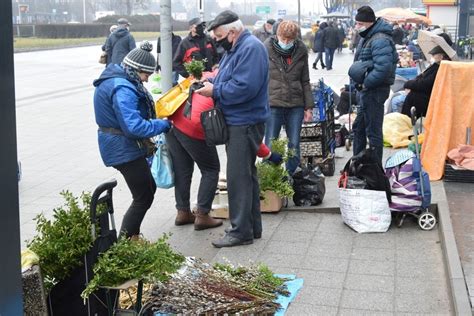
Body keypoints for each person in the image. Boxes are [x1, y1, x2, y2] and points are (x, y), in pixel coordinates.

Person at [195, 10, 270, 248]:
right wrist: (212, 82)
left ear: (233, 32)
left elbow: (244, 87)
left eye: (219, 36)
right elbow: (227, 77)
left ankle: (240, 232)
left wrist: (214, 91)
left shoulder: (250, 48)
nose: (216, 41)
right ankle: (251, 228)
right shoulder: (236, 48)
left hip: (244, 122)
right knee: (246, 176)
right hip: (240, 120)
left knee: (238, 178)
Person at [93, 41, 171, 238]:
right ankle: (126, 241)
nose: (146, 80)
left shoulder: (121, 80)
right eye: (146, 75)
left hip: (123, 146)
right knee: (143, 196)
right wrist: (163, 124)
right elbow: (134, 127)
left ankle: (132, 237)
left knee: (148, 189)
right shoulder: (122, 88)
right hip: (122, 148)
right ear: (136, 70)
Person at [166, 70, 223, 231]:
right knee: (211, 169)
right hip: (194, 125)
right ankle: (203, 215)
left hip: (174, 120)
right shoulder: (226, 84)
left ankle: (183, 212)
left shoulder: (207, 75)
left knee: (182, 169)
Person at [264, 20, 313, 175]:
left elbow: (305, 80)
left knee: (294, 144)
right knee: (271, 143)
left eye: (289, 40)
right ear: (277, 35)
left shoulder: (301, 50)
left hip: (295, 104)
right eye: (283, 39)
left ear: (295, 38)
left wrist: (308, 107)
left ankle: (291, 177)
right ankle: (271, 179)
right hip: (273, 103)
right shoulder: (266, 49)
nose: (286, 42)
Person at [350, 6, 398, 165]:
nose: (356, 26)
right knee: (358, 127)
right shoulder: (368, 35)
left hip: (374, 91)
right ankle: (358, 164)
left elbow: (383, 69)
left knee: (373, 132)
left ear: (367, 22)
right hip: (368, 91)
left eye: (359, 23)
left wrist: (365, 84)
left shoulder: (379, 39)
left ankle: (375, 169)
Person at [401, 45, 451, 118]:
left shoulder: (441, 68)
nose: (432, 57)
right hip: (420, 94)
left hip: (426, 99)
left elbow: (425, 84)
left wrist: (408, 84)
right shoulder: (435, 66)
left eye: (434, 55)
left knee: (396, 101)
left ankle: (404, 122)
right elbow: (420, 78)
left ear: (441, 56)